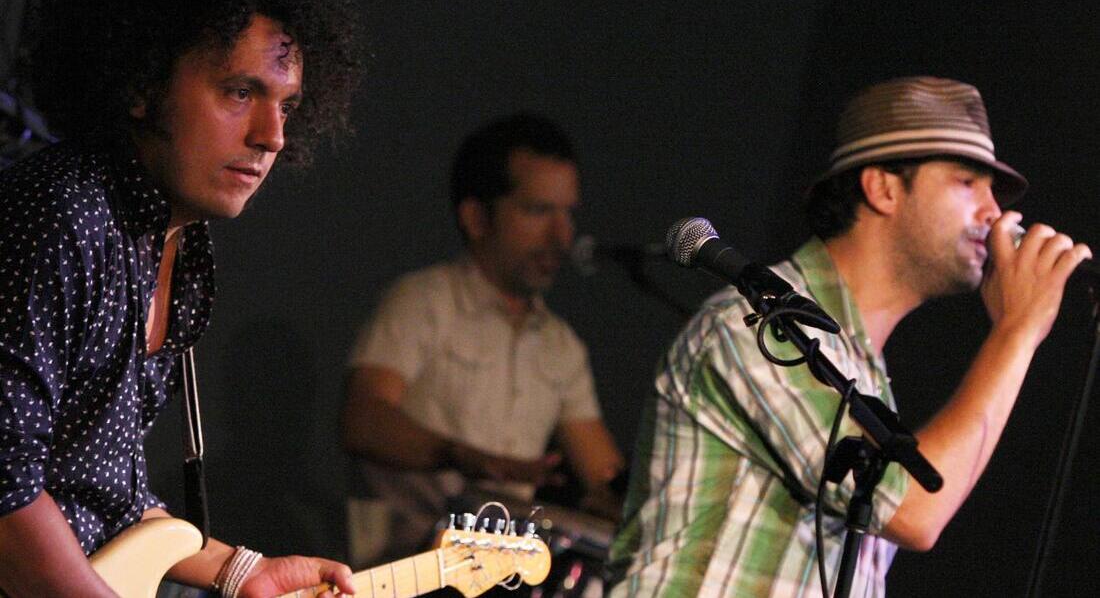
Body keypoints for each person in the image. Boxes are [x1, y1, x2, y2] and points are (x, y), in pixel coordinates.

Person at [606, 76, 1092, 596]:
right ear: (883, 188)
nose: (994, 212)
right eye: (967, 182)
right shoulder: (756, 326)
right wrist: (1017, 331)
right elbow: (914, 509)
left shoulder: (855, 370)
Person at [0, 0, 361, 597]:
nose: (273, 136)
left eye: (287, 106)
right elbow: (5, 487)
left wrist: (241, 571)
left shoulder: (175, 246)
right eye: (239, 92)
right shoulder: (61, 213)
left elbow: (102, 490)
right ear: (143, 83)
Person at [340, 113, 625, 569]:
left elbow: (605, 477)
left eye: (567, 212)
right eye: (538, 211)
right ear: (476, 218)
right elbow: (363, 420)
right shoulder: (423, 301)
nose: (562, 236)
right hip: (405, 569)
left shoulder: (561, 344)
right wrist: (462, 457)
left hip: (497, 574)